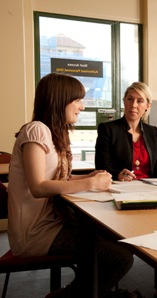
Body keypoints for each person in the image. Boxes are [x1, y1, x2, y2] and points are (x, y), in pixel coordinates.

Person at [7, 73, 134, 298]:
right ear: (59, 99)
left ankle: (82, 292)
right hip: (35, 234)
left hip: (52, 225)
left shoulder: (55, 133)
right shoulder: (36, 130)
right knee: (120, 257)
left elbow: (57, 179)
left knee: (115, 241)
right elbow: (38, 186)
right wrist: (89, 183)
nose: (82, 107)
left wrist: (89, 177)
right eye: (77, 100)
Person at [95, 82, 157, 181]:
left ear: (148, 106)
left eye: (140, 101)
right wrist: (118, 175)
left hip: (150, 188)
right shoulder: (107, 129)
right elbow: (101, 167)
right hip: (121, 186)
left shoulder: (152, 131)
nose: (133, 105)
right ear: (124, 101)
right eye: (130, 99)